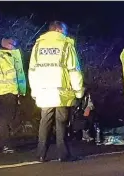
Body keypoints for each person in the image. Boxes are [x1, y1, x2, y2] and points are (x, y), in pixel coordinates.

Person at [29, 21, 84, 162]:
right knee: (62, 122)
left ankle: (41, 154)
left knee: (45, 121)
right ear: (59, 30)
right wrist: (78, 91)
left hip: (44, 91)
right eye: (64, 30)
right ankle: (64, 154)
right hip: (61, 92)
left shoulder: (38, 45)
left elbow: (32, 70)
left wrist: (34, 91)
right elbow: (74, 70)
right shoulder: (66, 45)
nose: (66, 33)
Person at [0, 37, 27, 153]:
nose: (15, 47)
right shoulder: (7, 58)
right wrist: (17, 92)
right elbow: (12, 77)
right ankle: (6, 145)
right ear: (9, 45)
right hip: (8, 92)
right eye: (14, 45)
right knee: (6, 119)